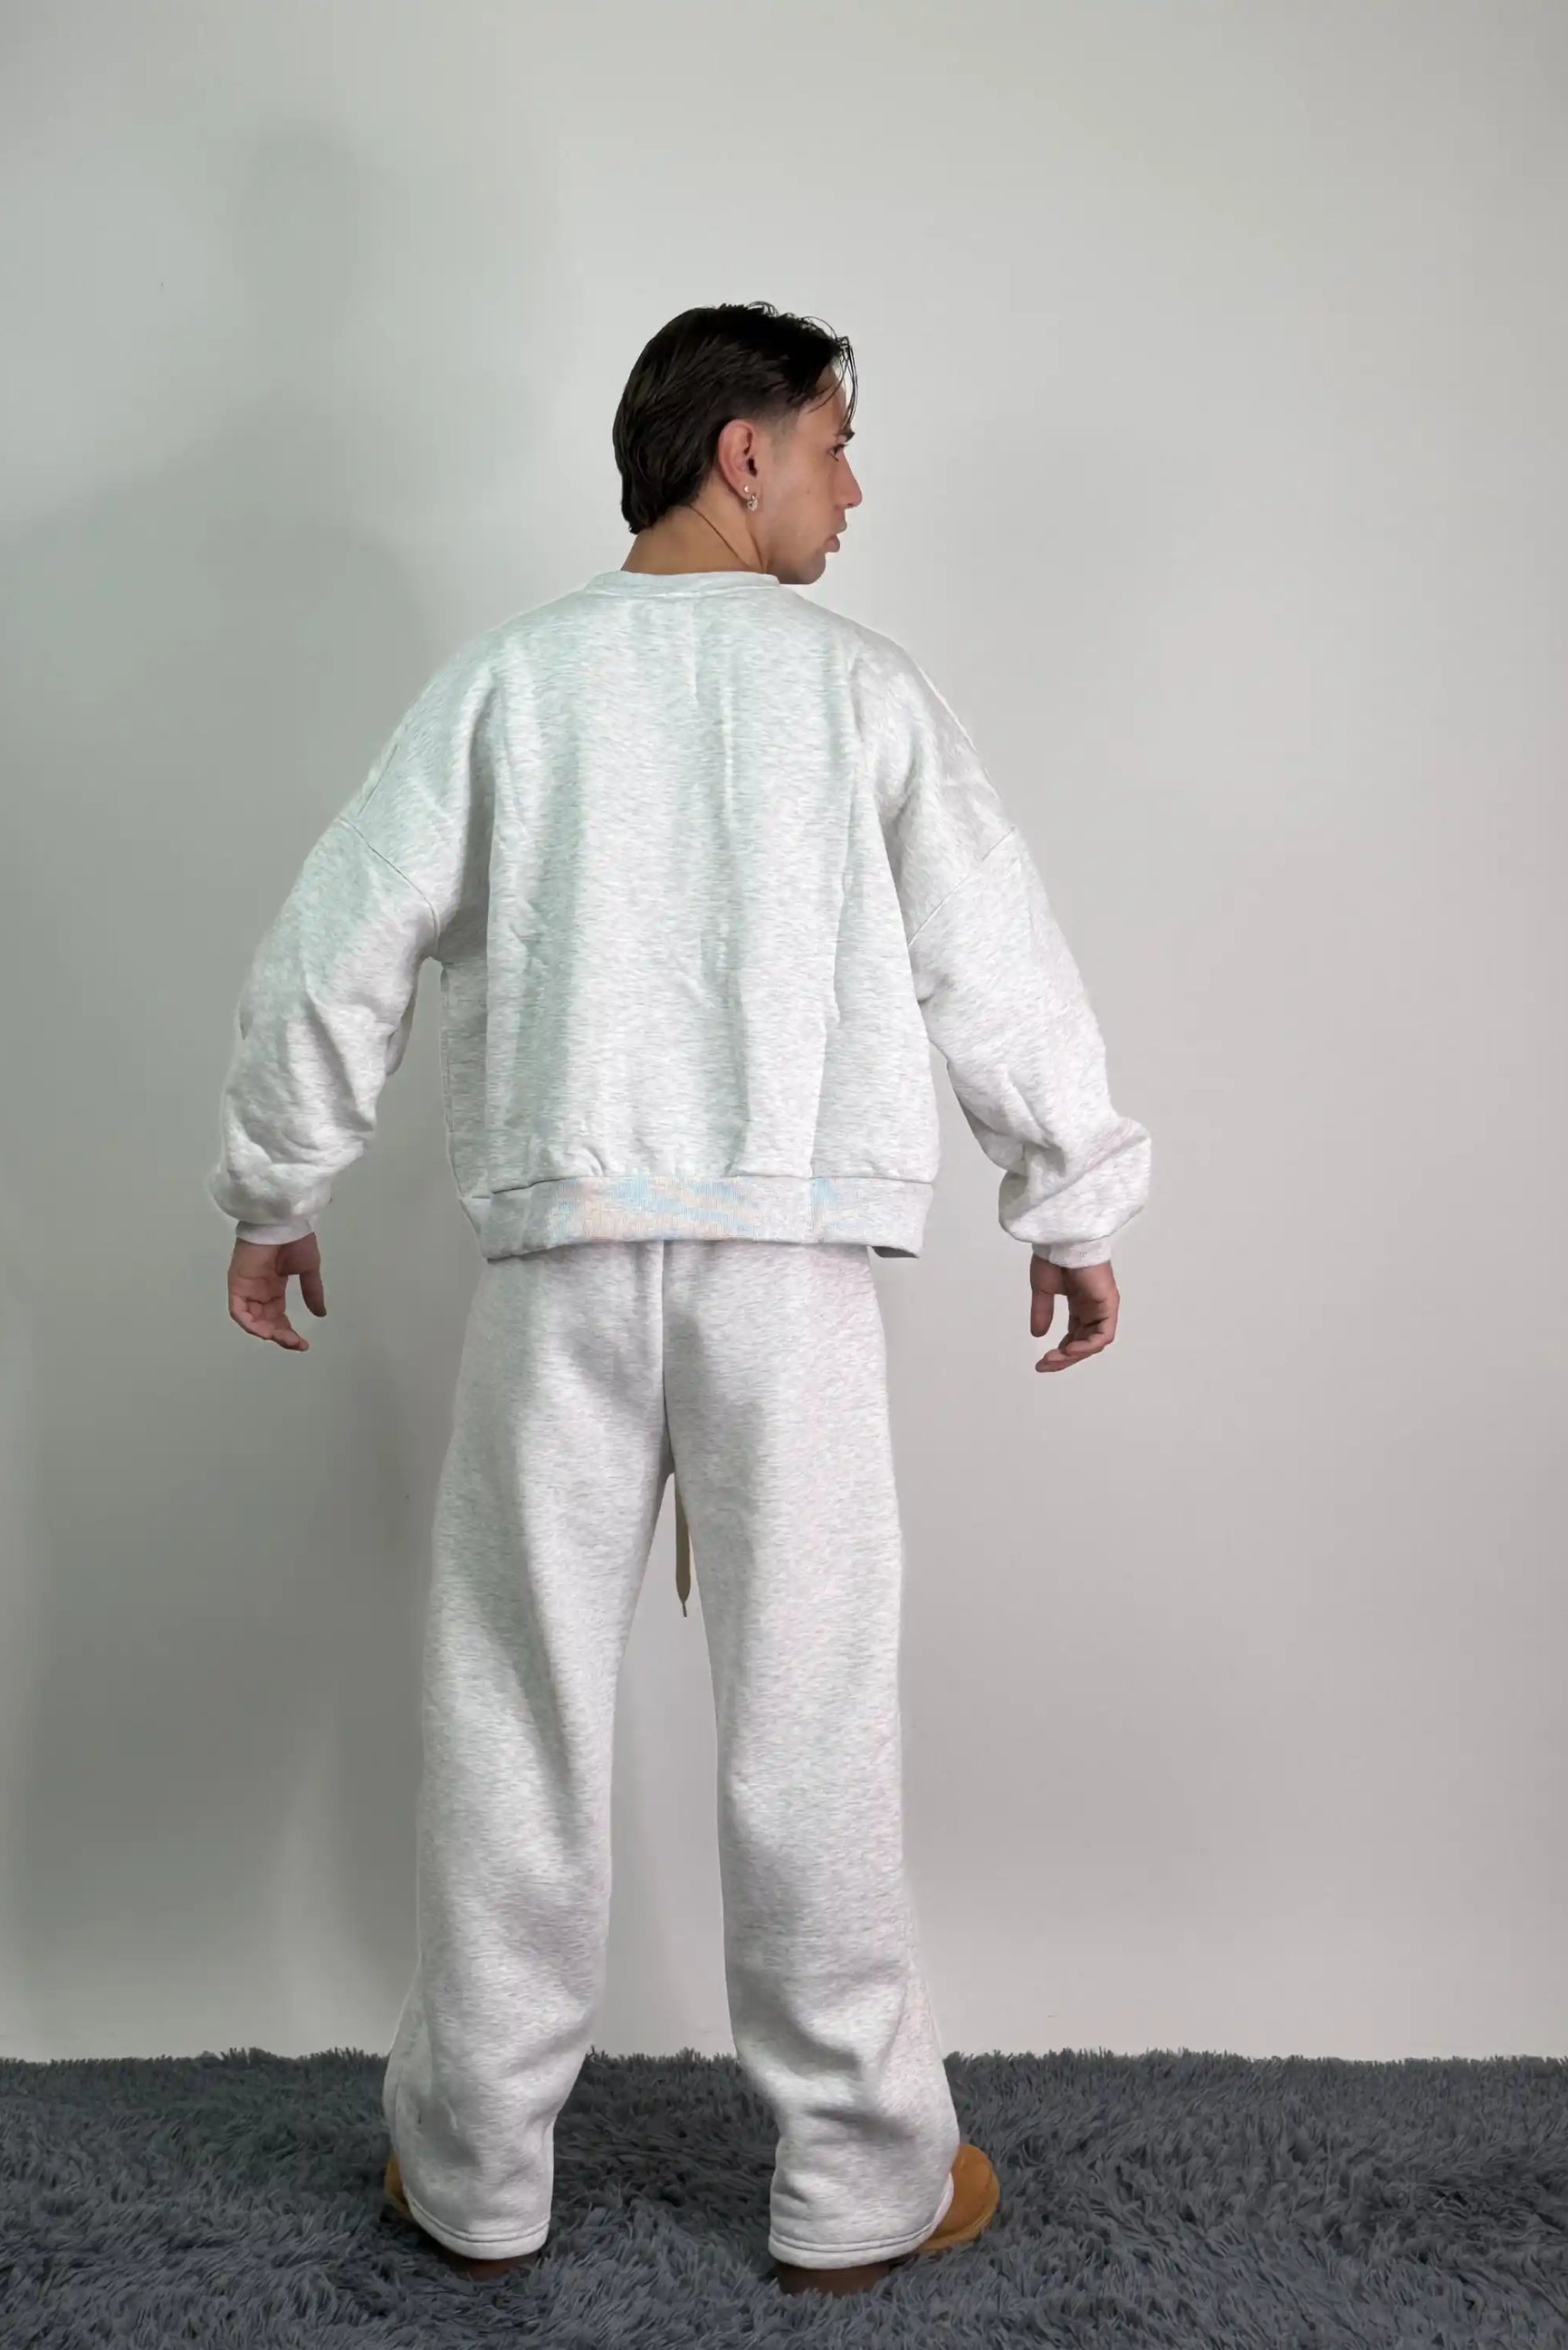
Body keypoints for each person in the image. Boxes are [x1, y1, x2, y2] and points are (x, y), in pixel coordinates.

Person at [206, 301, 1152, 2297]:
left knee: (515, 1705)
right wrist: (1066, 1197)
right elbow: (993, 946)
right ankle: (858, 2180)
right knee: (811, 1713)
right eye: (835, 442)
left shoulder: (511, 682)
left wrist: (282, 1182)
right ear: (744, 451)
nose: (852, 486)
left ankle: (474, 2170)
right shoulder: (862, 690)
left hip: (561, 1262)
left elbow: (337, 940)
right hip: (788, 1269)